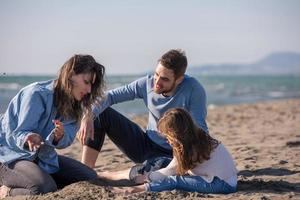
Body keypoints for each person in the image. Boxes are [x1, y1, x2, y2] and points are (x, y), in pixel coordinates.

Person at [78, 49, 209, 180]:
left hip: (173, 154)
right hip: (145, 145)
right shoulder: (147, 84)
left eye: (164, 79)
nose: (157, 82)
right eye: (156, 74)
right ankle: (85, 171)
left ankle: (106, 175)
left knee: (150, 171)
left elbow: (200, 130)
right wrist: (88, 115)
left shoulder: (193, 89)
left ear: (179, 80)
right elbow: (110, 96)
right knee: (100, 113)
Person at [0, 54, 105, 198]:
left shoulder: (75, 105)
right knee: (45, 188)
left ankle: (37, 177)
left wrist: (58, 137)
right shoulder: (36, 94)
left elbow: (66, 140)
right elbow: (15, 133)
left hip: (43, 157)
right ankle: (7, 190)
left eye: (91, 85)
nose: (88, 90)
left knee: (90, 177)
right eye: (86, 82)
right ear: (71, 74)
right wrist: (28, 137)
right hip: (11, 155)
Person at [108, 108, 238, 194]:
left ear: (178, 135)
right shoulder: (199, 137)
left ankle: (136, 190)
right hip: (229, 179)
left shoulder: (189, 148)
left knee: (175, 181)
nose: (167, 141)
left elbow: (170, 172)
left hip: (222, 184)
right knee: (173, 171)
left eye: (168, 136)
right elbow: (173, 167)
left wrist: (146, 178)